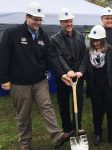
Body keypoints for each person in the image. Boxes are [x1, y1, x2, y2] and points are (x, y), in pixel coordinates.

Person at [0, 2, 73, 150]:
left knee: (47, 107)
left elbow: (51, 57)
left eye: (40, 19)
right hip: (20, 83)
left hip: (40, 81)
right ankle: (25, 143)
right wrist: (4, 79)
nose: (38, 22)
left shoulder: (43, 35)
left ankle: (56, 136)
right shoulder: (12, 33)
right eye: (35, 18)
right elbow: (4, 57)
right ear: (27, 17)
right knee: (23, 114)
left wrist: (62, 74)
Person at [75, 25, 112, 145]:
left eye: (99, 40)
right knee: (97, 112)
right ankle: (98, 134)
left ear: (103, 39)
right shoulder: (88, 50)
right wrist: (80, 71)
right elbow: (84, 64)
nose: (96, 43)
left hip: (109, 86)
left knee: (111, 112)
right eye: (94, 40)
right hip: (95, 87)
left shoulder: (111, 50)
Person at [51, 8, 86, 133]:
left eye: (70, 21)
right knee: (63, 103)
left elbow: (84, 56)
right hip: (64, 78)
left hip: (78, 76)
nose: (69, 24)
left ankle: (77, 126)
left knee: (79, 103)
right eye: (66, 21)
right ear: (61, 23)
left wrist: (80, 71)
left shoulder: (81, 37)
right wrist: (68, 71)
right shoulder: (55, 39)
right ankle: (67, 128)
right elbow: (58, 56)